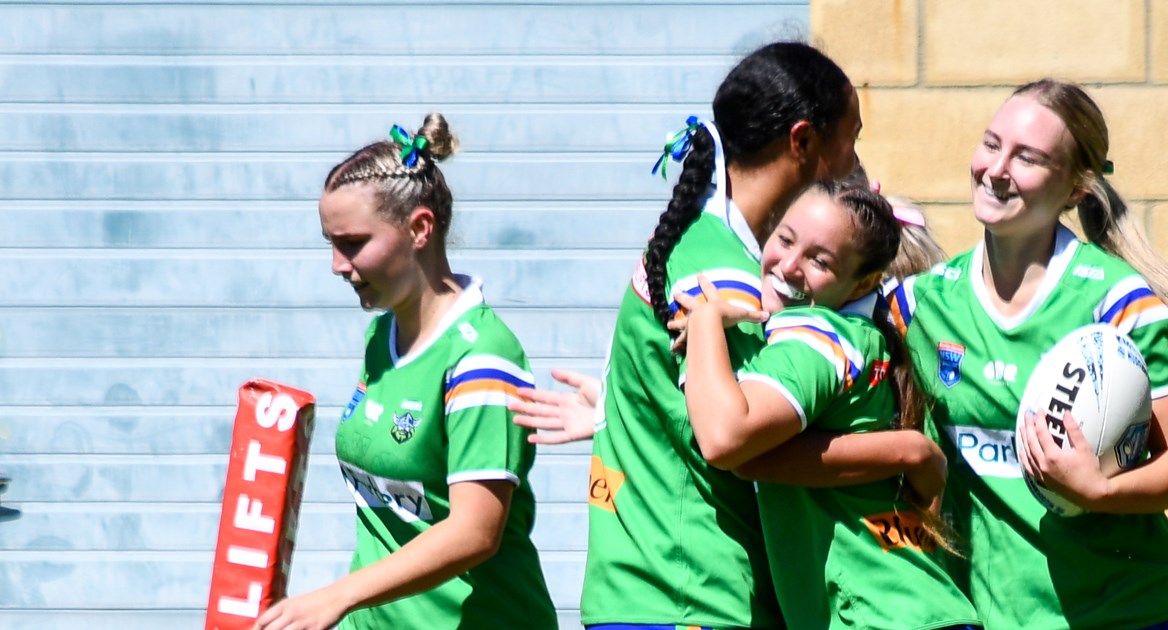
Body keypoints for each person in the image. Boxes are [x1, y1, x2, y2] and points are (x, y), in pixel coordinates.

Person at [884, 79, 1168, 629]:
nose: (997, 169)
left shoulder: (1116, 302)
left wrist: (1099, 489)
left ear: (1075, 188)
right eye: (992, 143)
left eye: (1028, 158)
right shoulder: (922, 306)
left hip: (1123, 614)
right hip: (989, 618)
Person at [511, 41, 861, 629]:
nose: (856, 164)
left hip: (651, 590)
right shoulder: (724, 280)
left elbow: (684, 409)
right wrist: (904, 453)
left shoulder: (702, 246)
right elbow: (734, 434)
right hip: (694, 595)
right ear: (801, 141)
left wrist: (617, 414)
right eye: (851, 138)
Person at [256, 115, 557, 630]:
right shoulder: (382, 336)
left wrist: (336, 598)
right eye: (330, 242)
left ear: (420, 229)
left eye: (352, 242)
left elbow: (474, 531)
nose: (336, 264)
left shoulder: (482, 357)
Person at [677, 180, 978, 630]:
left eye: (820, 260)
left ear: (866, 281)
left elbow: (723, 439)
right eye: (784, 238)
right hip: (924, 612)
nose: (789, 265)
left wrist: (705, 321)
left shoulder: (817, 334)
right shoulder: (875, 346)